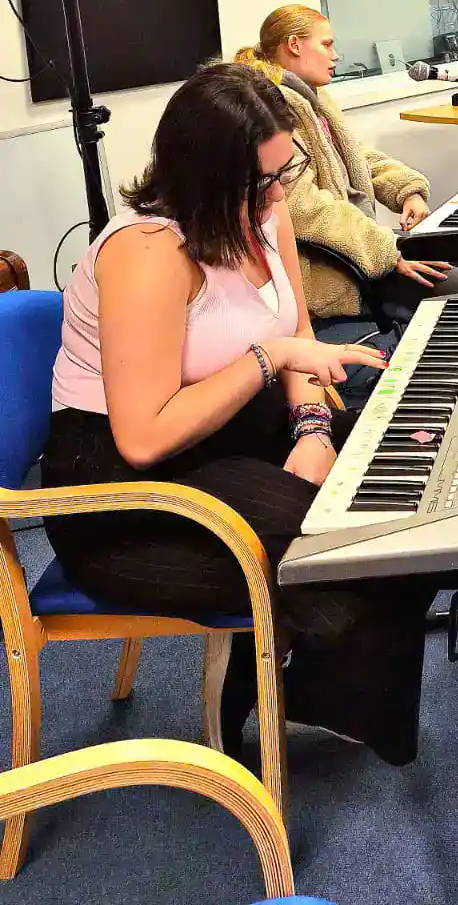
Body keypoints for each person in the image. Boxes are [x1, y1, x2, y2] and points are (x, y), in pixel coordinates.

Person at [42, 65, 436, 764]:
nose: (280, 194)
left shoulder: (264, 210)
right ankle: (270, 692)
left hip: (225, 430)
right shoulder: (147, 253)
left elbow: (300, 338)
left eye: (286, 172)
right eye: (262, 181)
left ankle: (315, 683)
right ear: (205, 179)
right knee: (344, 554)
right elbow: (144, 437)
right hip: (117, 486)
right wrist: (268, 357)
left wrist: (312, 430)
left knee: (411, 480)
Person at [234, 6, 458, 322]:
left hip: (361, 243)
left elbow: (355, 155)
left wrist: (407, 190)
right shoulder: (272, 110)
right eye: (327, 44)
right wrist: (384, 251)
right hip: (335, 267)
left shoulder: (312, 97)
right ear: (294, 45)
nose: (336, 56)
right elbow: (304, 208)